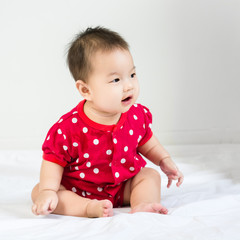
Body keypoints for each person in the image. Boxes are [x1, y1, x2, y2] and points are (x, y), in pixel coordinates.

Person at [31, 26, 184, 218]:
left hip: (123, 186)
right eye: (116, 80)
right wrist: (48, 190)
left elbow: (147, 141)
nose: (129, 85)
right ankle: (88, 208)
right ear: (86, 90)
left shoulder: (136, 115)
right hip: (79, 190)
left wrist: (164, 159)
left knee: (149, 175)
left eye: (132, 75)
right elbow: (53, 162)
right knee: (40, 192)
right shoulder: (68, 128)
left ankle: (143, 203)